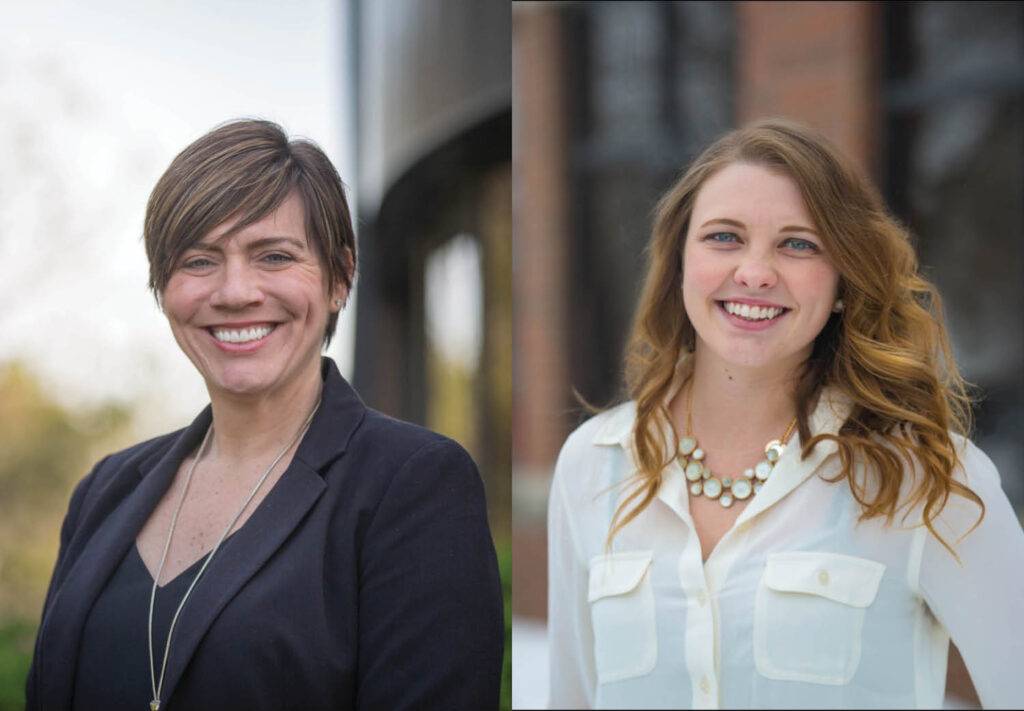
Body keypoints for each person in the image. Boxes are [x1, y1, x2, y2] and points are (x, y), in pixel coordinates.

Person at [27, 119, 503, 711]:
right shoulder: (104, 490)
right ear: (163, 288)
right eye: (199, 261)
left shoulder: (413, 485)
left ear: (340, 277)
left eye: (274, 256)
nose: (234, 291)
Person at [547, 119, 1024, 709]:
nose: (754, 272)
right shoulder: (592, 467)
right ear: (677, 264)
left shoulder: (928, 476)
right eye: (724, 237)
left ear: (844, 279)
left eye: (798, 243)